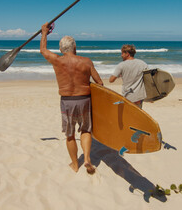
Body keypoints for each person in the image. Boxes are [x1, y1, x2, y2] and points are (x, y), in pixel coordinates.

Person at [40, 22, 104, 174]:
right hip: (85, 100)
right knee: (86, 130)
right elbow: (99, 83)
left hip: (67, 102)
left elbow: (43, 50)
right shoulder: (86, 61)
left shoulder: (57, 60)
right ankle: (87, 159)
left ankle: (75, 164)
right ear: (75, 47)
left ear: (61, 49)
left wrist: (44, 33)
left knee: (70, 135)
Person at [109, 44, 148, 108]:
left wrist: (120, 74)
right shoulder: (143, 63)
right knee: (136, 116)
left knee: (127, 116)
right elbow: (148, 79)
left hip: (128, 97)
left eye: (122, 53)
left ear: (127, 54)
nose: (121, 55)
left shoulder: (122, 65)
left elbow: (111, 80)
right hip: (139, 97)